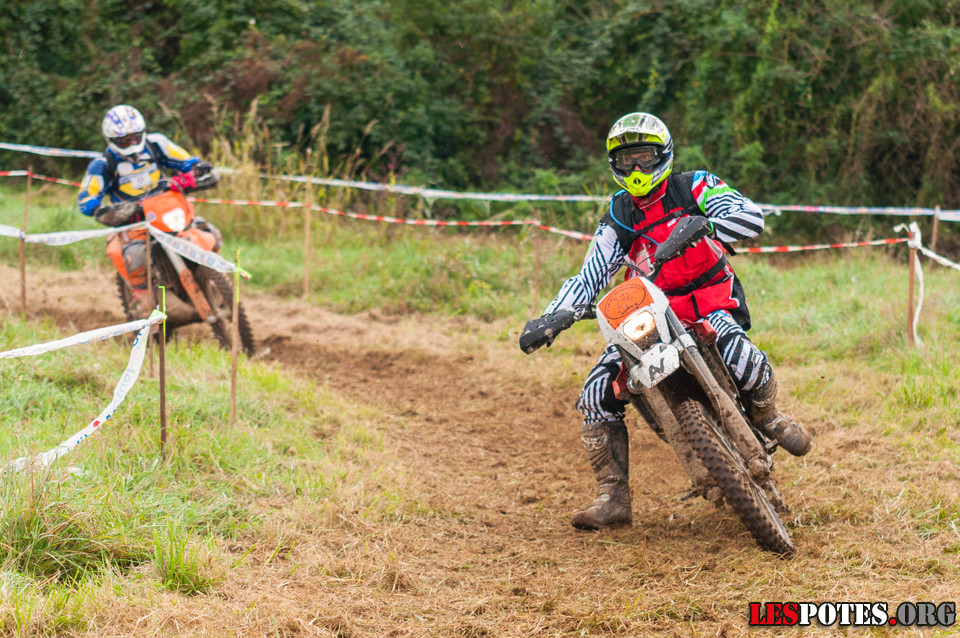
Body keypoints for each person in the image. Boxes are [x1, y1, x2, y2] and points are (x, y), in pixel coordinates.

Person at [526, 112, 812, 531]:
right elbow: (591, 273)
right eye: (627, 160)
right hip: (649, 314)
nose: (636, 168)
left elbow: (751, 217)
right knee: (595, 393)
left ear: (663, 155)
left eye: (644, 158)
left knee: (740, 354)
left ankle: (768, 415)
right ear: (614, 164)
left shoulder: (694, 186)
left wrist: (706, 222)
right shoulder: (620, 214)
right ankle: (612, 496)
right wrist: (554, 315)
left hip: (709, 302)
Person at [77, 104, 219, 315]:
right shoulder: (103, 163)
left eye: (135, 138)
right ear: (111, 140)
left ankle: (214, 278)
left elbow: (186, 161)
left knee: (209, 231)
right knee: (134, 256)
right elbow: (86, 197)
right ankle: (143, 308)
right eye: (124, 141)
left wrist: (197, 171)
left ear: (142, 132)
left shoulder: (156, 144)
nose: (131, 144)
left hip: (165, 209)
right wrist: (101, 211)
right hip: (132, 221)